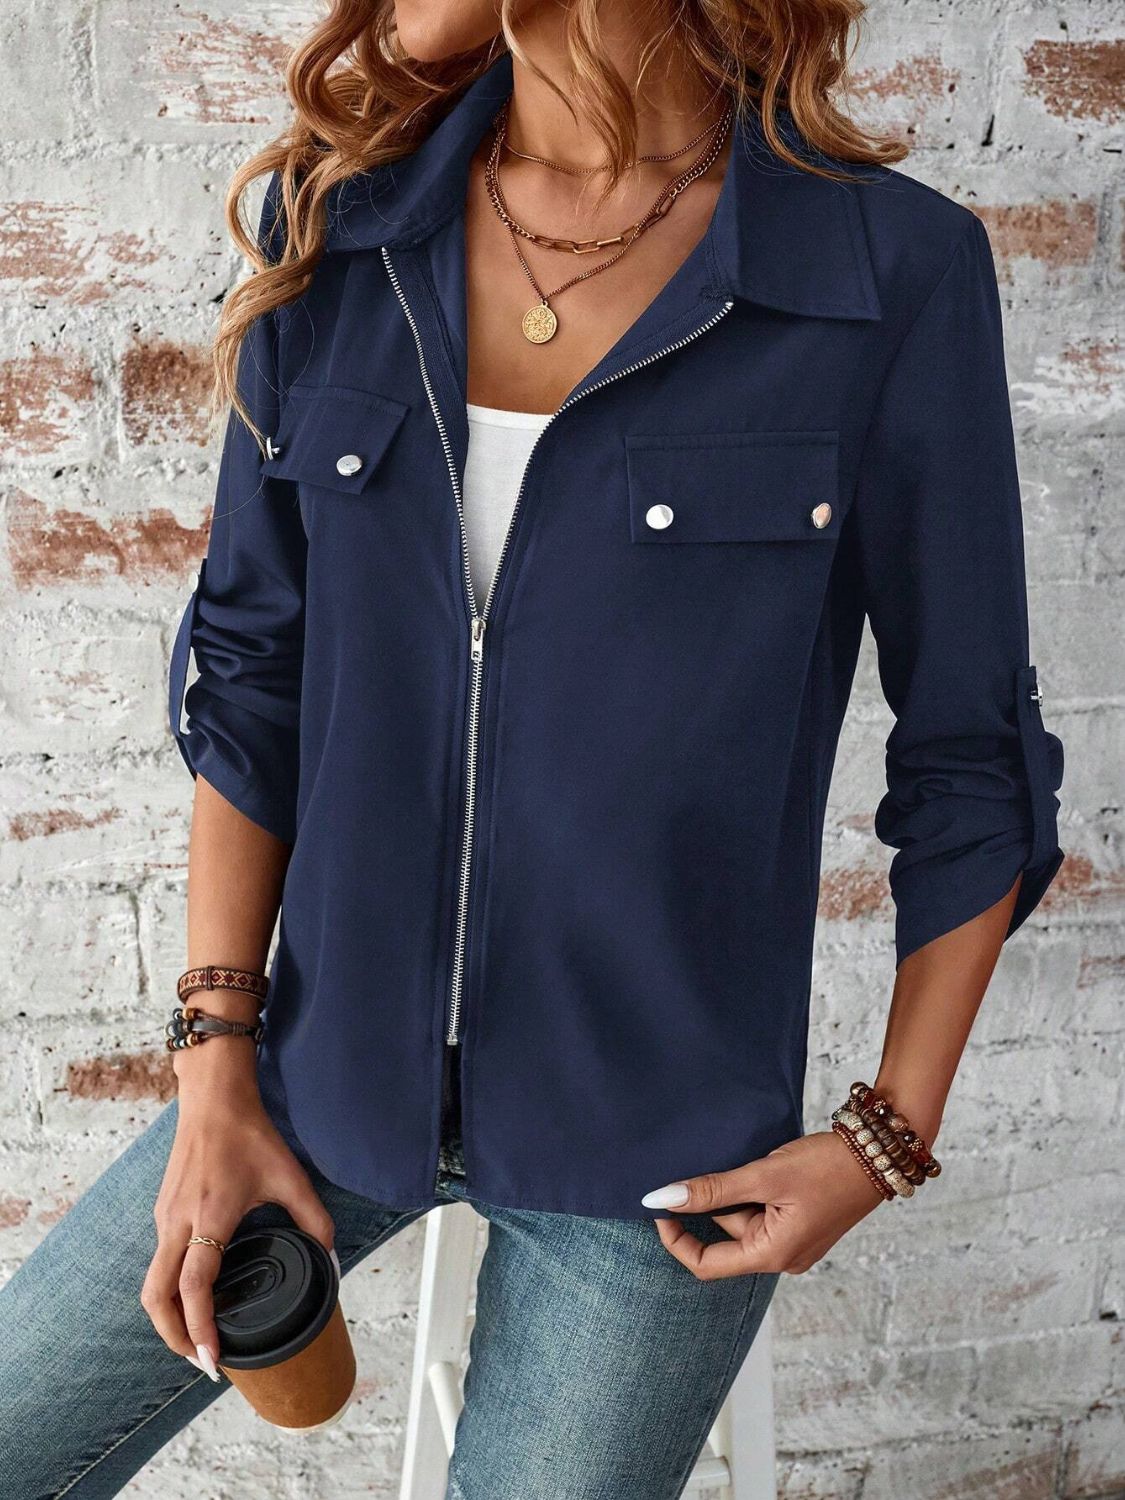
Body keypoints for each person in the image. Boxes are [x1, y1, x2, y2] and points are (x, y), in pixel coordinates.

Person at [0, 1, 1065, 1496]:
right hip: (311, 1078)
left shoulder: (885, 269)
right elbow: (251, 676)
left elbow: (971, 753)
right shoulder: (339, 224)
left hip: (659, 1161)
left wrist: (883, 1138)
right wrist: (215, 1070)